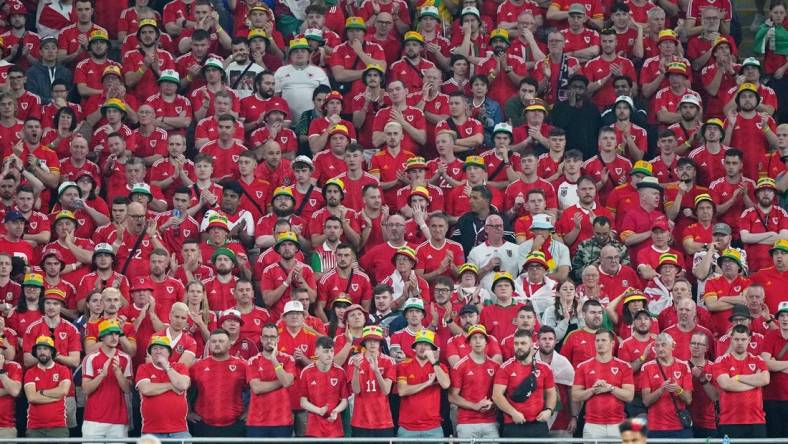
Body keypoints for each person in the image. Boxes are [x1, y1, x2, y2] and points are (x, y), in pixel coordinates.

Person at [492, 328, 557, 438]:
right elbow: (496, 395)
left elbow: (551, 393)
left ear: (532, 345)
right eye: (516, 343)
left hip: (538, 424)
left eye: (523, 343)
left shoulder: (545, 368)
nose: (519, 347)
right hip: (513, 424)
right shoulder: (505, 368)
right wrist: (513, 413)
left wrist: (549, 410)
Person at [572, 329, 635, 440]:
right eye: (597, 341)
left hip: (618, 423)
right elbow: (575, 395)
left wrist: (610, 388)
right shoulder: (583, 366)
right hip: (592, 425)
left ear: (612, 343)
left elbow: (629, 396)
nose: (600, 343)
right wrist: (593, 389)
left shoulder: (624, 366)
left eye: (603, 340)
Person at [713, 325, 770, 438]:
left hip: (756, 422)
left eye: (743, 339)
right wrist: (754, 382)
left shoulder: (758, 360)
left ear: (749, 340)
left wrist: (738, 377)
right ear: (731, 340)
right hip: (729, 422)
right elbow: (726, 384)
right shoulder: (721, 361)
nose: (740, 343)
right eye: (736, 339)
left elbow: (765, 379)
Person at [188, 328, 248, 437]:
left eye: (221, 341)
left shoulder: (242, 366)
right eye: (213, 341)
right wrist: (188, 412)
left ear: (229, 344)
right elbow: (185, 390)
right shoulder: (198, 366)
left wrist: (250, 411)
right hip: (203, 425)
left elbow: (256, 389)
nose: (217, 344)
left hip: (235, 424)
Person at [81, 319, 133, 440]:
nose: (114, 337)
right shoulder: (90, 358)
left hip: (118, 420)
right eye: (110, 334)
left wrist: (118, 373)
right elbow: (86, 389)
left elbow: (127, 390)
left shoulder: (125, 358)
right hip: (93, 419)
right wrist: (102, 375)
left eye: (116, 333)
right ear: (101, 337)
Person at [449, 324, 501, 439]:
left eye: (481, 337)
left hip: (490, 421)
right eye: (474, 338)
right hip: (467, 423)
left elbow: (501, 394)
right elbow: (452, 396)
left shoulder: (496, 366)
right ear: (469, 342)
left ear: (486, 342)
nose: (478, 341)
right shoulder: (460, 366)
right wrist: (474, 406)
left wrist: (492, 403)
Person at [245, 323, 297, 438]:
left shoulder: (288, 359)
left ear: (278, 339)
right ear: (261, 339)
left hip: (282, 421)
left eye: (272, 337)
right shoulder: (253, 361)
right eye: (266, 337)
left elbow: (287, 382)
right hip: (257, 422)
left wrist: (274, 359)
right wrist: (281, 382)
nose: (269, 340)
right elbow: (257, 388)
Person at [135, 335, 191, 440]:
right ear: (150, 353)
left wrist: (167, 366)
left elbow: (183, 385)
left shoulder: (180, 367)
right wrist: (170, 385)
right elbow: (146, 389)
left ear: (169, 352)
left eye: (162, 348)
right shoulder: (143, 368)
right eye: (154, 348)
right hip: (151, 431)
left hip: (179, 430)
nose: (158, 351)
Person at [396, 329, 450, 438]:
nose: (423, 347)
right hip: (407, 428)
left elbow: (446, 384)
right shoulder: (404, 365)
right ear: (414, 347)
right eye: (420, 344)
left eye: (427, 344)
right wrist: (427, 383)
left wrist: (433, 361)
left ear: (432, 348)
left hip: (433, 427)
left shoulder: (440, 367)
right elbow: (402, 391)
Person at [640, 333, 693, 438]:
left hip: (680, 427)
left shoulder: (683, 366)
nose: (660, 348)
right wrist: (661, 389)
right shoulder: (646, 367)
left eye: (663, 345)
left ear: (672, 346)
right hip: (655, 428)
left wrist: (679, 390)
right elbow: (646, 401)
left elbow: (689, 400)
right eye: (657, 345)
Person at [347, 325, 396, 438]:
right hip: (360, 420)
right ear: (364, 343)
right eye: (369, 340)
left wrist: (377, 372)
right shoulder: (354, 360)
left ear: (380, 343)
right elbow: (356, 390)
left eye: (376, 340)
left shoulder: (389, 361)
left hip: (383, 421)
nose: (373, 344)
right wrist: (356, 369)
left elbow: (386, 391)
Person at [22, 336, 72, 438]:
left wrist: (41, 392)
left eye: (45, 349)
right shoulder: (30, 372)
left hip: (58, 426)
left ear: (52, 352)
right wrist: (55, 397)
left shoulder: (63, 370)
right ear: (35, 352)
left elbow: (63, 391)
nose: (42, 352)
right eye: (39, 349)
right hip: (34, 427)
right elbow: (32, 397)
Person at [299, 336, 348, 438]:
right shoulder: (307, 372)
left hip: (335, 428)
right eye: (326, 351)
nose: (329, 355)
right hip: (314, 429)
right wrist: (319, 410)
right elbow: (303, 402)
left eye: (331, 351)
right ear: (317, 352)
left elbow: (344, 401)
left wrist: (336, 410)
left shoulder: (340, 372)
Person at [761, 301, 788, 438]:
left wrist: (776, 364)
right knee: (774, 437)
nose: (785, 319)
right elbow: (765, 363)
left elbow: (771, 363)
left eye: (787, 315)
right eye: (782, 315)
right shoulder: (771, 336)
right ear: (777, 318)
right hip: (772, 398)